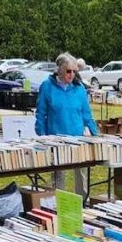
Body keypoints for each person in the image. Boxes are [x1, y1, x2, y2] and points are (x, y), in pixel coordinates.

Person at [36, 52, 98, 196]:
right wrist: (42, 135)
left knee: (81, 174)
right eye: (68, 71)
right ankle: (59, 202)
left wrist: (96, 135)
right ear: (59, 70)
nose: (71, 75)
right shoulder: (47, 86)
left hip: (78, 137)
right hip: (56, 138)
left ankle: (83, 202)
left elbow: (87, 115)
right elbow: (40, 113)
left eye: (74, 72)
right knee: (58, 175)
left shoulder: (79, 88)